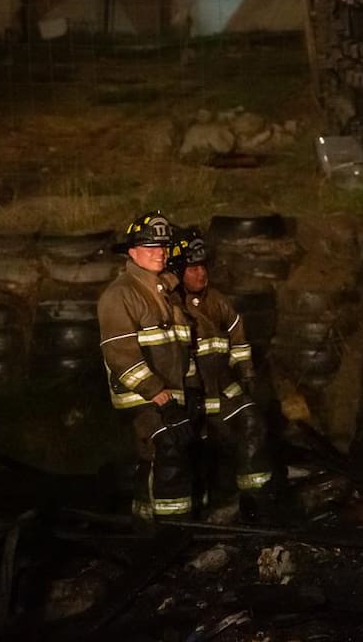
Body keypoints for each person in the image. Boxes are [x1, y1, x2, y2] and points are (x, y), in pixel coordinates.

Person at [98, 211, 199, 525]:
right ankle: (171, 531)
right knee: (168, 447)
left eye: (163, 247)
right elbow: (120, 355)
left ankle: (147, 526)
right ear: (132, 253)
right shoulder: (120, 294)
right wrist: (160, 398)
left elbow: (182, 347)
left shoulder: (164, 293)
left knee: (158, 458)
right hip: (142, 397)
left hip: (171, 394)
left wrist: (192, 390)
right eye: (150, 247)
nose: (160, 253)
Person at [167, 226, 274, 519]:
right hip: (191, 397)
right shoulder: (169, 305)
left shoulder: (218, 302)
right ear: (176, 271)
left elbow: (238, 341)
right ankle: (195, 513)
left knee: (253, 421)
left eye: (203, 266)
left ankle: (257, 501)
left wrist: (247, 374)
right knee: (194, 454)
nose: (201, 274)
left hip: (224, 390)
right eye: (192, 268)